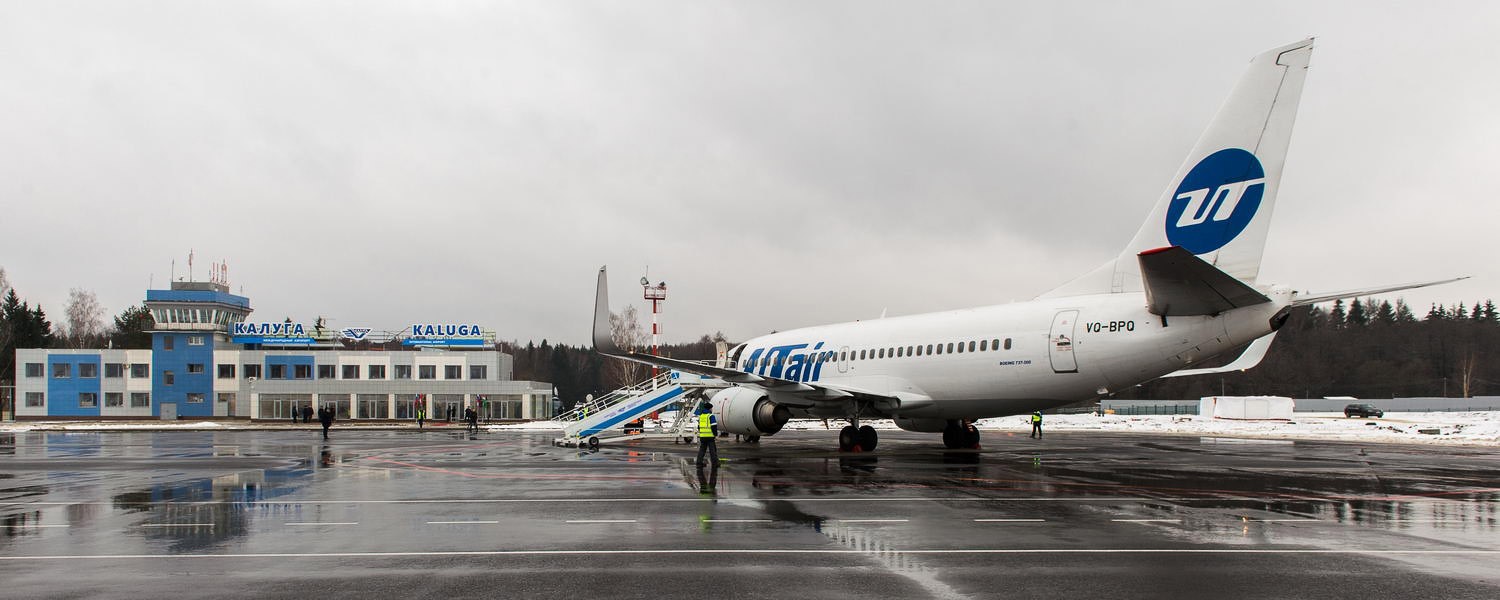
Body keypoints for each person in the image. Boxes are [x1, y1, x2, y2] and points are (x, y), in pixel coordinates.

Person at [695, 402, 719, 466]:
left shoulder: (701, 416)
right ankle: (715, 463)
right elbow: (714, 426)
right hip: (710, 436)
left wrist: (702, 433)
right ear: (709, 409)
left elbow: (699, 427)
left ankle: (699, 462)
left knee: (702, 450)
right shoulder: (711, 416)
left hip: (702, 436)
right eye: (711, 408)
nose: (712, 409)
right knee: (712, 451)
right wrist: (715, 435)